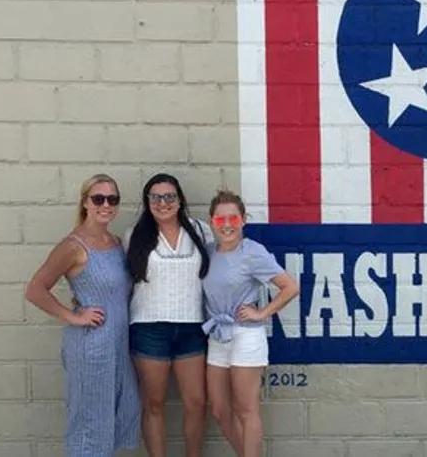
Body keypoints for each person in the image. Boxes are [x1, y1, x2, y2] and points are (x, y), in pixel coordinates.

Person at [25, 173, 141, 457]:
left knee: (117, 415)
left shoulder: (114, 242)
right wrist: (73, 316)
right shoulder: (73, 246)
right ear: (85, 202)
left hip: (118, 346)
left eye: (112, 199)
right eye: (98, 198)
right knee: (90, 424)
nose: (106, 204)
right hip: (92, 348)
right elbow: (35, 289)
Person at [202, 188, 300, 457]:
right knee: (220, 410)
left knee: (246, 411)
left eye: (233, 219)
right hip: (217, 336)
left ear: (243, 220)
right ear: (212, 222)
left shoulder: (253, 252)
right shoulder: (208, 252)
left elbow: (290, 287)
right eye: (221, 220)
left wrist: (262, 312)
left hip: (245, 336)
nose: (227, 225)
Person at [124, 173, 212, 457]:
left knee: (196, 402)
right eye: (155, 197)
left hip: (192, 327)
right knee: (154, 403)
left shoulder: (201, 231)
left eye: (169, 196)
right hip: (149, 328)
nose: (163, 203)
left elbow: (222, 269)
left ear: (180, 200)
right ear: (147, 202)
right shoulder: (133, 236)